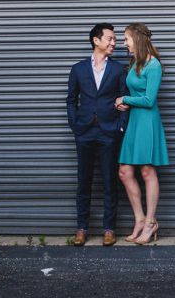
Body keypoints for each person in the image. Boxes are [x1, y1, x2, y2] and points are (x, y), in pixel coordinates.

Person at [66, 23, 129, 247]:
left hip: (109, 132)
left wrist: (120, 126)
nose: (114, 43)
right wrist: (75, 124)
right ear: (96, 40)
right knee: (84, 181)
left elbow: (125, 98)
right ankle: (82, 228)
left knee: (110, 182)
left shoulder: (119, 69)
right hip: (84, 131)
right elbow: (71, 101)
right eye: (110, 39)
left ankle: (109, 228)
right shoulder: (78, 69)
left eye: (114, 39)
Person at [116, 23, 169, 244]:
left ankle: (150, 222)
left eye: (126, 38)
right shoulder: (136, 63)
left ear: (137, 38)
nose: (124, 43)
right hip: (135, 122)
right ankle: (139, 219)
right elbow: (137, 95)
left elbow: (149, 100)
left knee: (147, 172)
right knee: (125, 173)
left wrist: (124, 100)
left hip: (147, 122)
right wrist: (126, 104)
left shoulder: (153, 65)